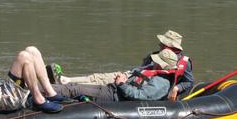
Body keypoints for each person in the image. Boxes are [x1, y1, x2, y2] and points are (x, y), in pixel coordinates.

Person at [50, 30, 193, 101]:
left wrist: (176, 88)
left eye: (163, 43)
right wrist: (126, 76)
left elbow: (189, 82)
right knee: (98, 78)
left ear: (170, 46)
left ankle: (61, 87)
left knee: (82, 88)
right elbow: (142, 70)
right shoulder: (157, 55)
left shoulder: (181, 65)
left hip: (130, 89)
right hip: (131, 79)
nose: (160, 44)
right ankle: (66, 80)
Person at [51, 48, 182, 102]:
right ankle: (43, 89)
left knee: (75, 89)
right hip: (112, 89)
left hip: (115, 96)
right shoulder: (156, 74)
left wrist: (121, 84)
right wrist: (125, 79)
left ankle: (38, 90)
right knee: (74, 86)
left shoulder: (161, 82)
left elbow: (140, 96)